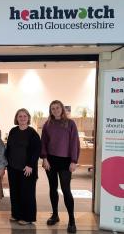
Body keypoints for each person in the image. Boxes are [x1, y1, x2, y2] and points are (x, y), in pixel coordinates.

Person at [41, 100, 80, 233]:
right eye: (53, 108)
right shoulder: (48, 124)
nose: (55, 110)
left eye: (57, 108)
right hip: (51, 161)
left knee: (65, 189)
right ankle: (55, 215)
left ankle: (72, 220)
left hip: (65, 161)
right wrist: (44, 158)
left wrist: (74, 160)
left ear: (62, 109)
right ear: (50, 110)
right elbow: (43, 142)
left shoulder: (70, 123)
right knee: (53, 188)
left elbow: (75, 142)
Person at [5, 108, 41, 225]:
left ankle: (27, 217)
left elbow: (36, 151)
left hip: (27, 169)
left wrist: (30, 165)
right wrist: (6, 162)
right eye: (20, 116)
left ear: (28, 118)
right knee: (15, 192)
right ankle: (16, 214)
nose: (22, 118)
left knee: (27, 193)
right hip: (13, 167)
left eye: (24, 116)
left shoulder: (32, 133)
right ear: (16, 118)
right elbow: (9, 148)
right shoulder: (13, 131)